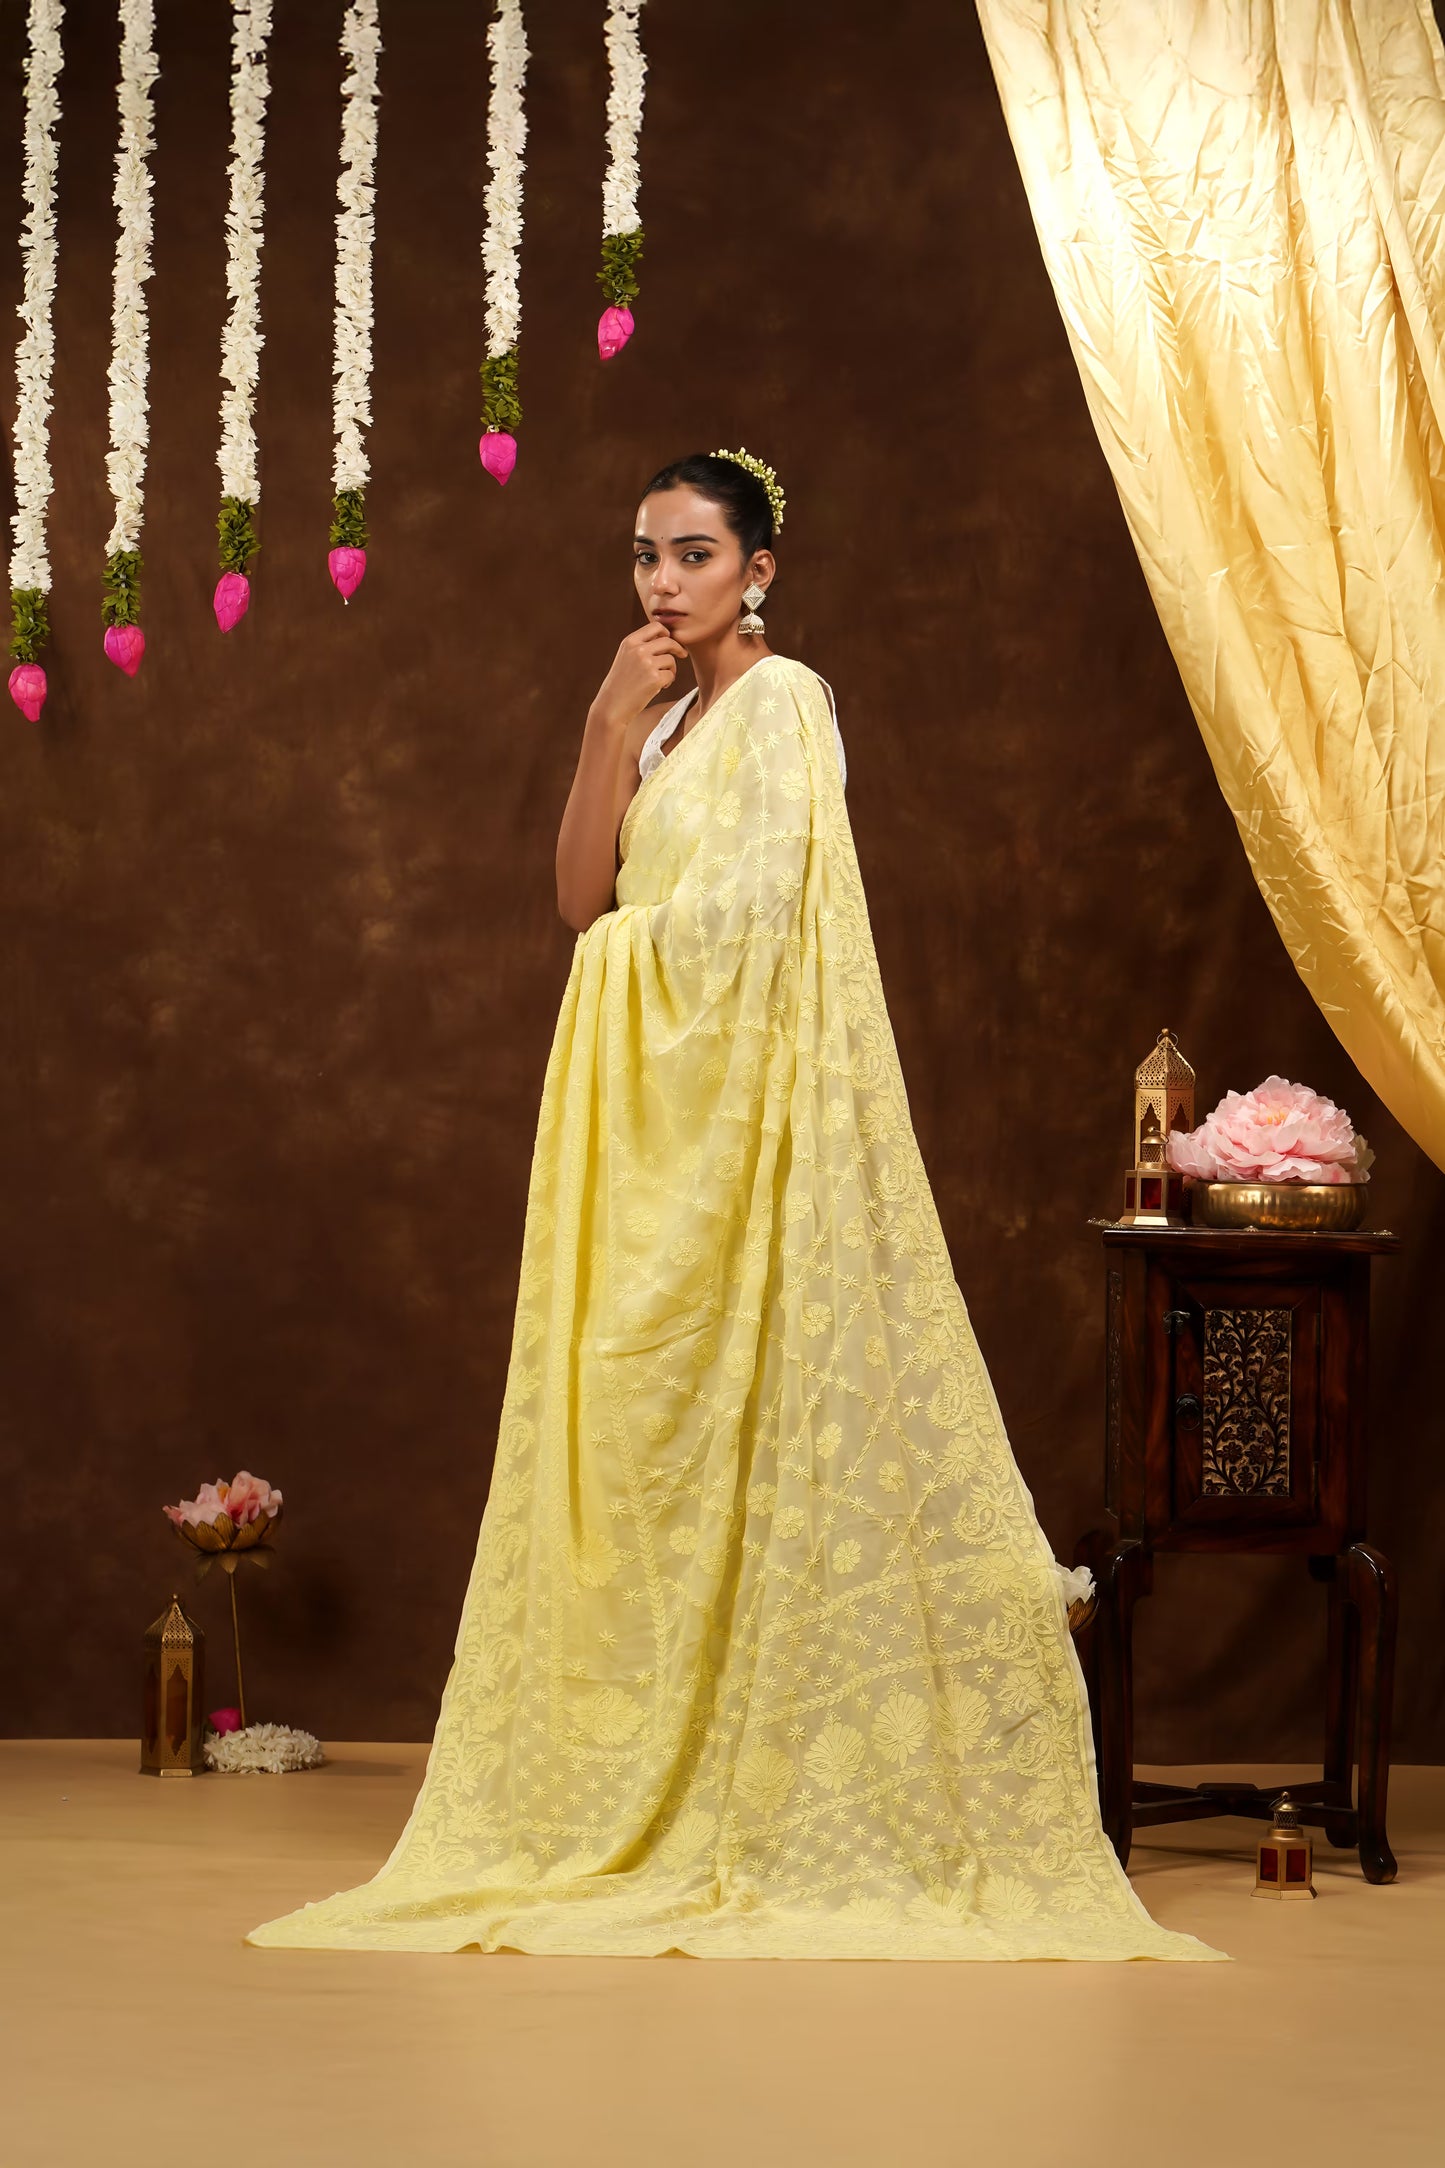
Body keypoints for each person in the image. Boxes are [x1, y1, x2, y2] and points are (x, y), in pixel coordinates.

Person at [250, 451, 1216, 1960]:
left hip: (722, 1134)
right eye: (643, 554)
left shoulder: (783, 704)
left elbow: (755, 927)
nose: (660, 581)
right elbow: (585, 905)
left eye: (693, 554)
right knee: (624, 1443)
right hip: (635, 1152)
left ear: (758, 569)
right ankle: (628, 1765)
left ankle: (761, 1773)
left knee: (746, 1434)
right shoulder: (660, 720)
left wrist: (645, 938)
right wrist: (599, 728)